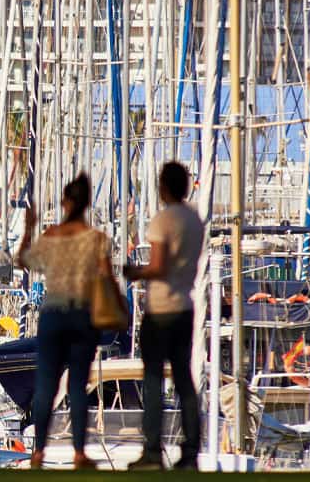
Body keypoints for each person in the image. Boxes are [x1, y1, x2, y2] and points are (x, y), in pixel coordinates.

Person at [16, 173, 112, 470]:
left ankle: (38, 452)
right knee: (77, 387)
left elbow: (23, 261)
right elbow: (106, 280)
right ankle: (79, 453)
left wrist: (29, 228)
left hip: (53, 313)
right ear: (85, 204)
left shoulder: (52, 236)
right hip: (83, 315)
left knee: (46, 386)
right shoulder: (97, 239)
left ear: (65, 202)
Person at [124, 161, 203, 471]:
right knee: (184, 381)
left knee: (154, 380)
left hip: (160, 310)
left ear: (164, 187)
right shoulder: (194, 220)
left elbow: (157, 267)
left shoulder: (163, 220)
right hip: (185, 307)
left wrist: (133, 271)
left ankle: (153, 452)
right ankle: (191, 452)